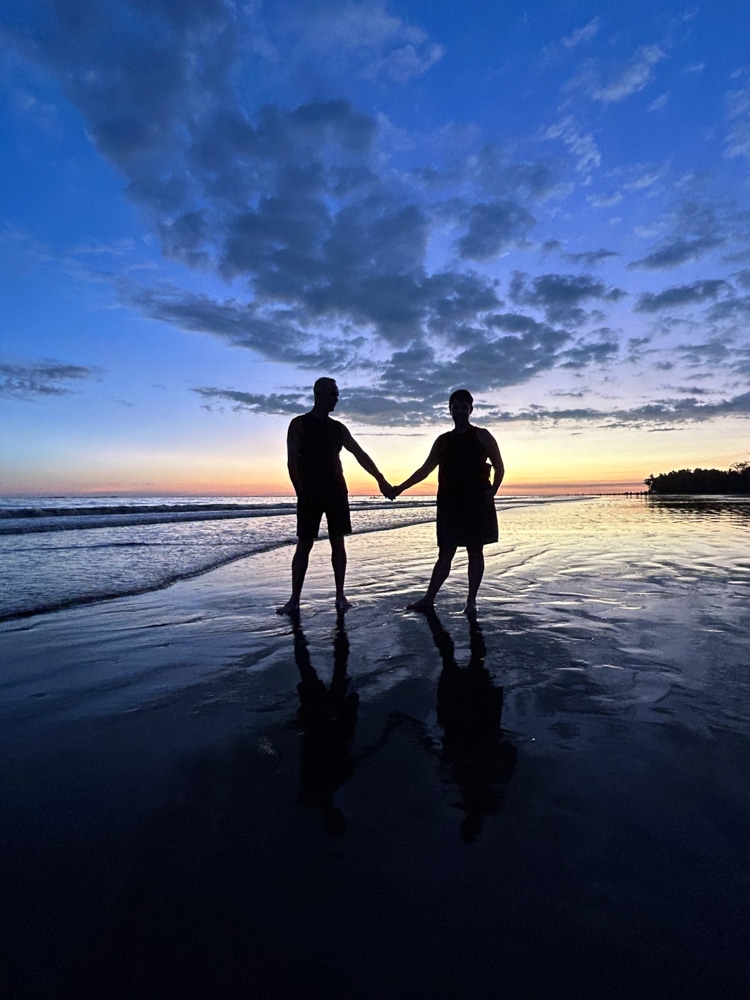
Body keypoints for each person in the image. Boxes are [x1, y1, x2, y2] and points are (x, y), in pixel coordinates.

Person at [277, 377, 392, 616]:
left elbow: (359, 454)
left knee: (338, 543)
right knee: (304, 544)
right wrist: (300, 491)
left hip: (336, 491)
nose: (336, 399)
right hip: (310, 493)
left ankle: (340, 595)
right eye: (333, 394)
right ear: (319, 393)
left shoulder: (338, 428)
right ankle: (294, 599)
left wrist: (380, 478)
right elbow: (291, 461)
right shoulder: (299, 424)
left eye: (337, 394)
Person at [392, 388, 504, 614]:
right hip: (449, 503)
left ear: (471, 410)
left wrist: (492, 491)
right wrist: (400, 488)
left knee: (475, 550)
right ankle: (428, 598)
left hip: (475, 502)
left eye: (464, 407)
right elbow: (425, 470)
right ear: (450, 410)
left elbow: (499, 466)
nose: (460, 411)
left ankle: (471, 601)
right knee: (445, 553)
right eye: (456, 407)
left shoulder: (482, 435)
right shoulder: (442, 441)